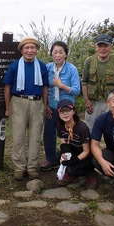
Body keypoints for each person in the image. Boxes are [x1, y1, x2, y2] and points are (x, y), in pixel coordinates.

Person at [3, 36, 49, 181]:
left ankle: (32, 167)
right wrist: (7, 107)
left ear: (36, 50)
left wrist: (45, 105)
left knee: (35, 137)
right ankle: (19, 168)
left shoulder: (41, 66)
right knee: (18, 137)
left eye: (32, 48)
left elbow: (45, 87)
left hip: (37, 103)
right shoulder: (15, 65)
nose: (30, 50)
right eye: (26, 48)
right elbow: (7, 87)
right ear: (22, 50)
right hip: (18, 102)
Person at [41, 41, 81, 172]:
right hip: (51, 106)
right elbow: (45, 87)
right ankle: (51, 159)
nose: (57, 55)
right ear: (51, 54)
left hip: (67, 108)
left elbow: (76, 90)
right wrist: (45, 105)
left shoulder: (72, 69)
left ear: (66, 54)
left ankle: (71, 159)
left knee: (69, 134)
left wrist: (61, 85)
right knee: (48, 133)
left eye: (61, 52)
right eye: (55, 52)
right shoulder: (47, 68)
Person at [82, 34, 114, 130]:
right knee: (90, 131)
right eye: (100, 46)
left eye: (105, 46)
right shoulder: (89, 62)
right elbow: (84, 82)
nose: (103, 49)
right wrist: (87, 101)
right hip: (93, 104)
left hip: (111, 103)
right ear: (96, 47)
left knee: (112, 131)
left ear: (111, 47)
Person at [56, 100, 96, 188]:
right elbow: (63, 142)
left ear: (73, 111)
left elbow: (86, 151)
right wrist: (65, 154)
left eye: (68, 111)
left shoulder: (82, 127)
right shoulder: (60, 125)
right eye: (62, 112)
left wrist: (75, 160)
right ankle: (71, 173)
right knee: (59, 156)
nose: (65, 114)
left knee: (83, 163)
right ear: (58, 113)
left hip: (85, 153)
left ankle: (90, 173)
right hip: (73, 150)